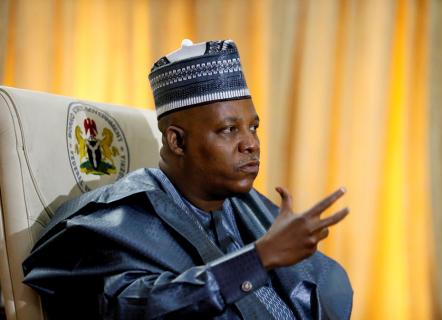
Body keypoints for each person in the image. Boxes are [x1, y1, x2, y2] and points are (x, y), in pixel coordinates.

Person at [23, 39, 352, 319]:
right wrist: (257, 259)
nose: (251, 143)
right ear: (177, 141)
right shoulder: (113, 221)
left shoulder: (245, 204)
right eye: (228, 129)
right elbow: (130, 307)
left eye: (253, 127)